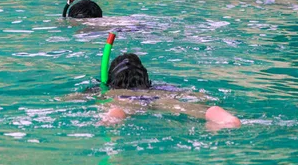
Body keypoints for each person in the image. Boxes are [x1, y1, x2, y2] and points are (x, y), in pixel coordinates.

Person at [74, 36, 241, 129]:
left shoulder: (104, 90)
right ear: (145, 76)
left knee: (118, 108)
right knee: (183, 107)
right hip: (157, 98)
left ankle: (114, 117)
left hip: (123, 100)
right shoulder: (160, 89)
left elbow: (71, 98)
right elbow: (198, 95)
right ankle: (220, 116)